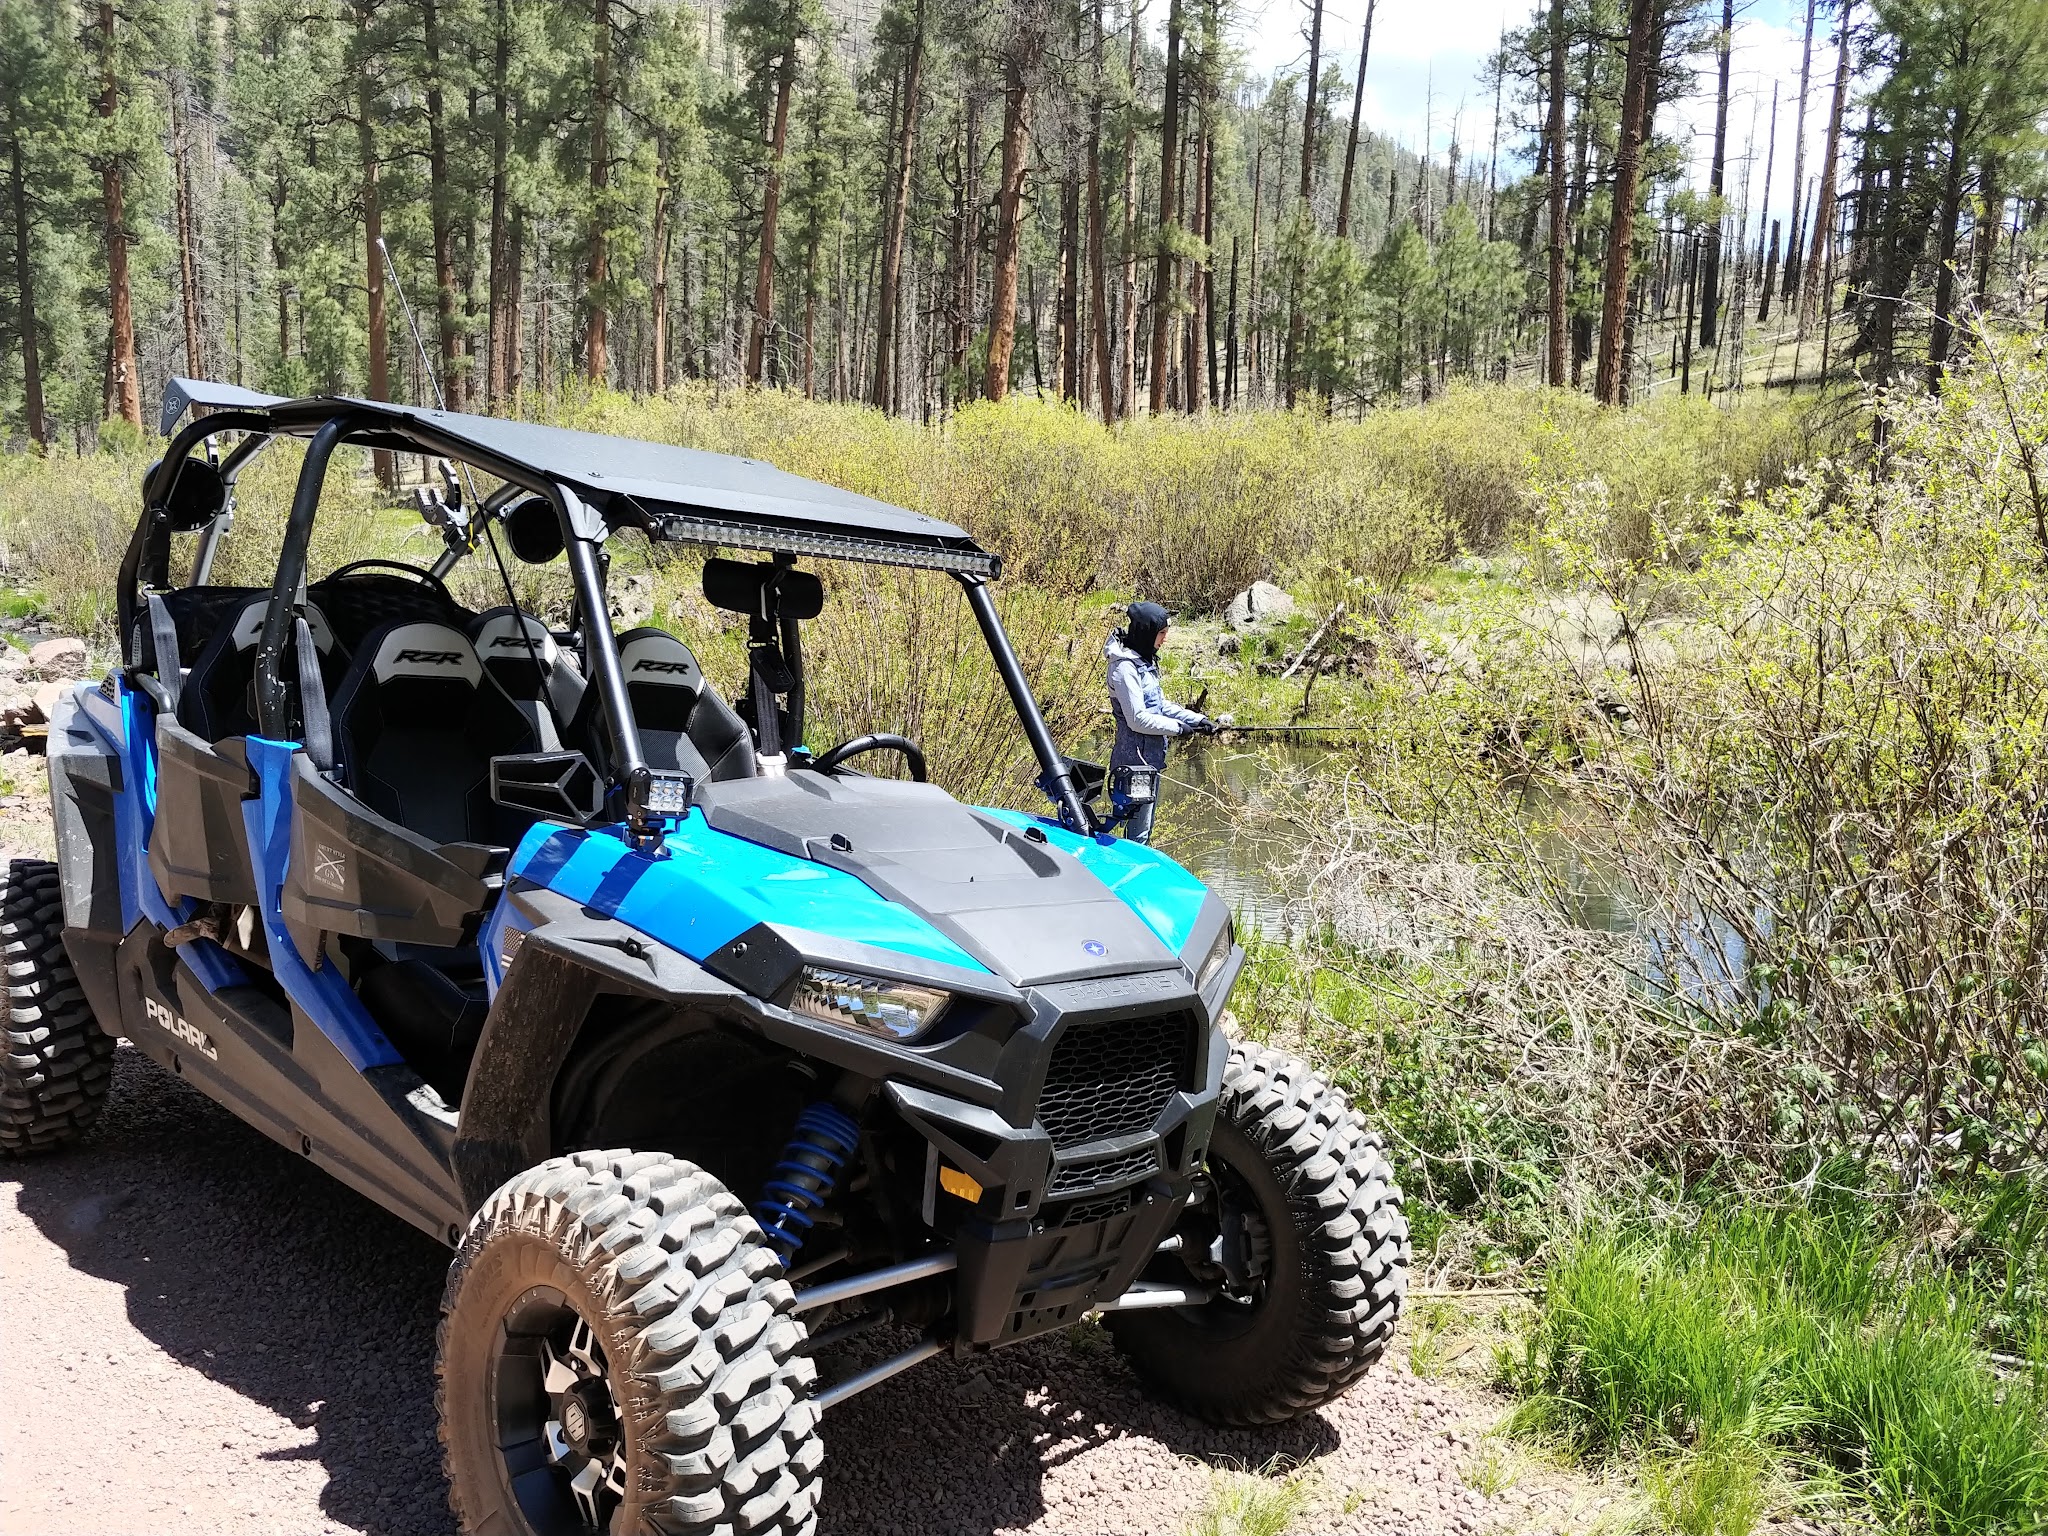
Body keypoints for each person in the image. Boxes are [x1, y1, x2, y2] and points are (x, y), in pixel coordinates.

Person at [1104, 601, 1216, 843]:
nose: (1164, 639)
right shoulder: (1124, 667)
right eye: (1161, 633)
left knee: (1143, 834)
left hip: (1150, 762)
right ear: (1147, 632)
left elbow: (1160, 705)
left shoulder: (1144, 662)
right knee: (1136, 838)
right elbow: (1137, 719)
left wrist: (1198, 720)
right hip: (1132, 766)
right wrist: (1177, 729)